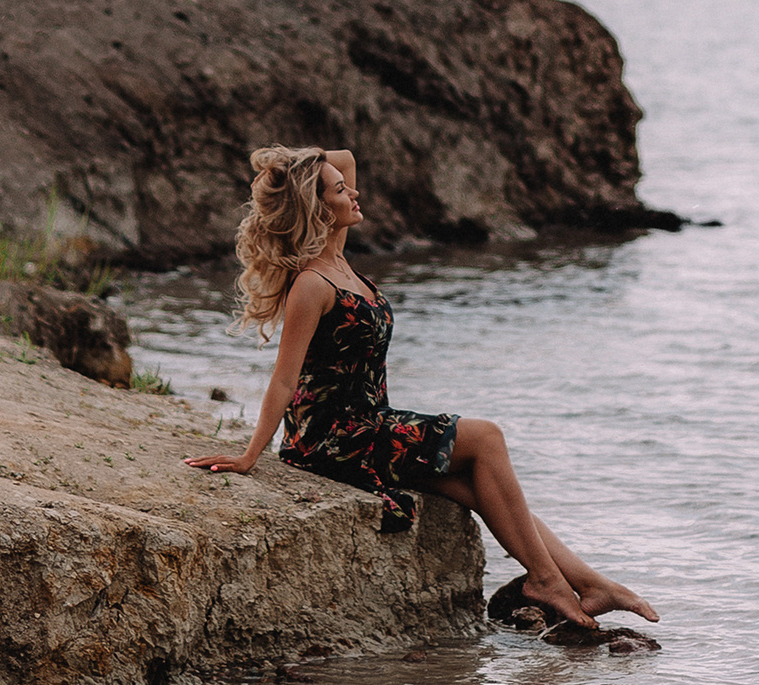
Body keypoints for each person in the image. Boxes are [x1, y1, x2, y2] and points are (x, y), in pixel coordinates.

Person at [184, 144, 657, 632]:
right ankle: (546, 579)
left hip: (369, 425)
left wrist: (303, 166)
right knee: (486, 436)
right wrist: (250, 455)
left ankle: (593, 584)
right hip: (334, 437)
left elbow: (345, 156)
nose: (355, 191)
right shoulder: (312, 284)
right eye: (342, 191)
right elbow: (285, 379)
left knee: (482, 488)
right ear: (320, 208)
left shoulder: (340, 257)